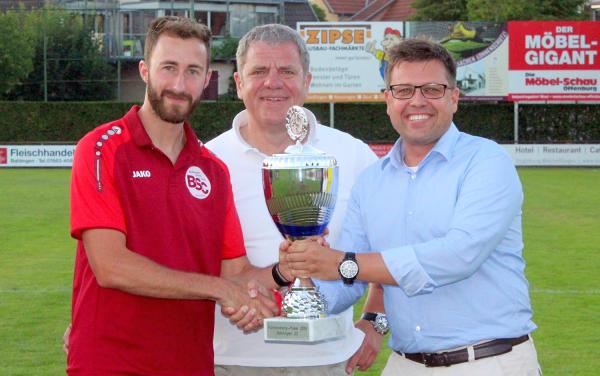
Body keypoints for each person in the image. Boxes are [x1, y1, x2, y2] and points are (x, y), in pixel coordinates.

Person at [284, 38, 541, 375]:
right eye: (403, 90)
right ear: (388, 99)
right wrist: (304, 273)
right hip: (406, 364)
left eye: (432, 89)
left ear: (454, 98)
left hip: (489, 361)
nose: (417, 101)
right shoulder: (371, 181)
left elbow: (457, 256)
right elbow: (346, 281)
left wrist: (343, 263)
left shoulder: (487, 161)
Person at [67, 16, 280, 375]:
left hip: (189, 363)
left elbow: (236, 273)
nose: (179, 84)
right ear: (145, 70)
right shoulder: (101, 149)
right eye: (169, 67)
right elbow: (110, 266)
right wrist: (221, 290)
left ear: (207, 80)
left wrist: (281, 278)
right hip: (108, 363)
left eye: (193, 71)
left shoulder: (214, 170)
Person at [205, 24, 385, 375]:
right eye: (259, 71)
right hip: (230, 361)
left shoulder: (353, 155)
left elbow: (390, 246)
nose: (273, 82)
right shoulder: (206, 162)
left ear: (307, 81)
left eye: (287, 71)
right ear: (239, 83)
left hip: (327, 360)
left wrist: (376, 321)